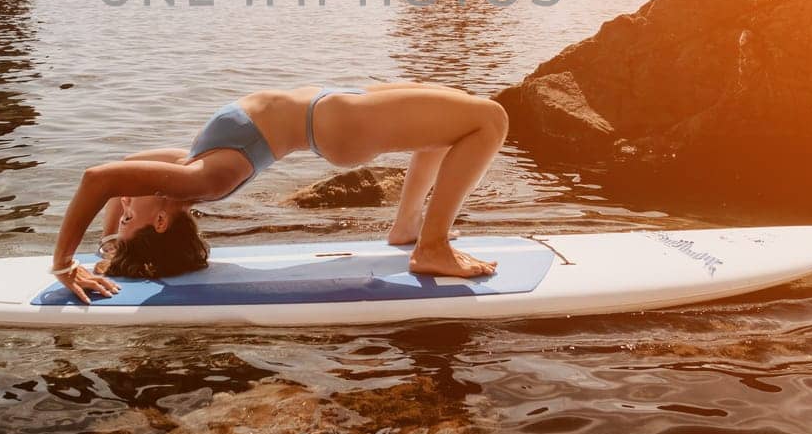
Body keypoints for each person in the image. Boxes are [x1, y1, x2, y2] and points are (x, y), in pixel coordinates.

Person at [48, 82, 508, 303]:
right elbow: (99, 179)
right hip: (339, 123)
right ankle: (432, 246)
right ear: (163, 221)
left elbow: (118, 179)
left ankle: (408, 228)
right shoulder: (202, 181)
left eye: (124, 213)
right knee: (490, 120)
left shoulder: (181, 174)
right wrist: (64, 265)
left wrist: (106, 249)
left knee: (445, 133)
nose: (124, 205)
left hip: (336, 107)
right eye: (130, 217)